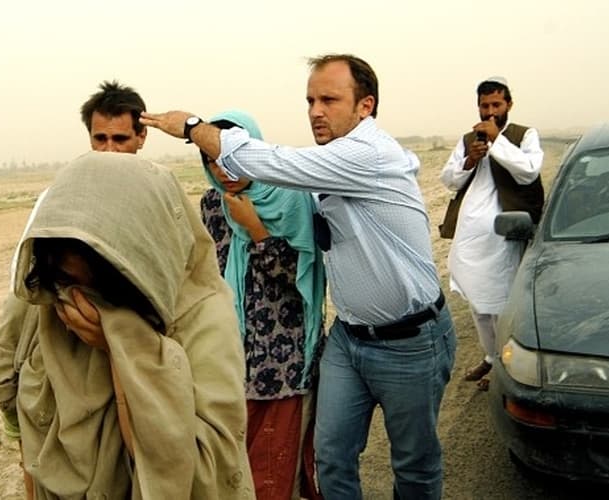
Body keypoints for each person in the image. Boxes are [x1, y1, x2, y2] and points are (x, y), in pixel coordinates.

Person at [141, 54, 456, 500]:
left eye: (329, 99)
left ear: (365, 106)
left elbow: (276, 167)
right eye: (310, 100)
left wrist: (193, 127)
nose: (315, 111)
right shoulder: (328, 164)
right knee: (331, 457)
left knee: (413, 463)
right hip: (348, 339)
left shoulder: (367, 154)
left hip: (409, 341)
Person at [0, 152, 255, 498]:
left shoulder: (203, 319)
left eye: (103, 290)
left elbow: (200, 473)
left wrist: (124, 344)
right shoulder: (46, 302)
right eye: (68, 281)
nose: (81, 301)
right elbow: (16, 408)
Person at [0, 80, 148, 497]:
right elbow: (23, 290)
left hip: (124, 365)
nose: (109, 149)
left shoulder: (153, 201)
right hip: (56, 359)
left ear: (141, 137)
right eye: (100, 138)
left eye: (120, 138)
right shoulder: (59, 199)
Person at [197, 110, 326, 499]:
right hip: (229, 360)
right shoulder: (211, 206)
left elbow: (299, 277)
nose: (223, 171)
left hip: (282, 361)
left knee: (276, 469)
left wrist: (256, 229)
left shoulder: (291, 200)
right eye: (212, 161)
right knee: (233, 470)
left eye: (232, 158)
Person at [439, 76, 544, 390]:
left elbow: (528, 172)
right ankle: (491, 356)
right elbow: (449, 180)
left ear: (508, 104)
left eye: (496, 104)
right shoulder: (469, 138)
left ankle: (508, 366)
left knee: (502, 300)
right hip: (471, 233)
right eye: (484, 106)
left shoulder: (524, 135)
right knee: (477, 301)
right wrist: (470, 159)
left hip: (505, 231)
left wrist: (498, 141)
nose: (489, 111)